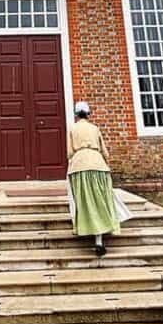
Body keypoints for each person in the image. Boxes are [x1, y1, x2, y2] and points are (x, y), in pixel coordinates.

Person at [66, 101, 131, 256]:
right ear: (88, 114)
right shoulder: (94, 128)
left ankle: (88, 229)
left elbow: (69, 152)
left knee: (86, 201)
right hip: (98, 165)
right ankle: (99, 240)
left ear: (76, 114)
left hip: (79, 166)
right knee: (101, 200)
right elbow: (104, 150)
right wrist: (106, 163)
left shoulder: (72, 129)